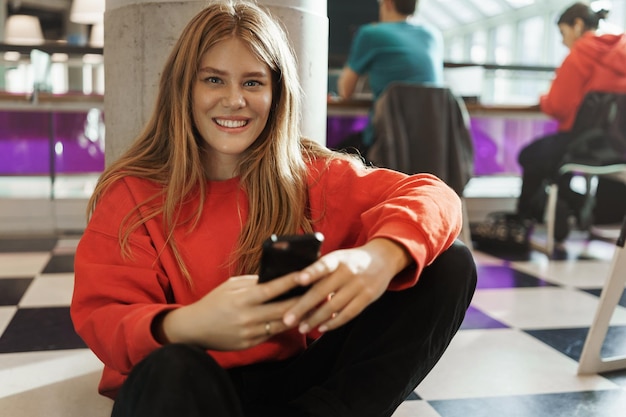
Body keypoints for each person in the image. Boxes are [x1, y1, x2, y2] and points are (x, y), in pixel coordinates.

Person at [70, 2, 476, 416]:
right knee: (170, 368)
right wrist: (190, 323)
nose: (234, 100)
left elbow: (436, 196)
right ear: (184, 88)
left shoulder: (313, 176)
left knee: (449, 262)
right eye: (214, 79)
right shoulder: (133, 192)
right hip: (191, 389)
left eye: (253, 82)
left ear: (276, 93)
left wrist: (379, 257)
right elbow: (103, 317)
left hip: (294, 386)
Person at [516, 2, 626, 242]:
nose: (563, 42)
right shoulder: (620, 51)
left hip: (581, 144)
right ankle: (566, 207)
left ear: (577, 26)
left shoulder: (581, 53)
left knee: (530, 156)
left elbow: (557, 106)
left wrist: (542, 99)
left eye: (563, 34)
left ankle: (526, 221)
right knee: (550, 157)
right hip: (617, 147)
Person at [334, 0, 444, 159]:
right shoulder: (433, 35)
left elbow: (345, 91)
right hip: (430, 146)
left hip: (386, 143)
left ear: (388, 3)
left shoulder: (371, 33)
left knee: (334, 156)